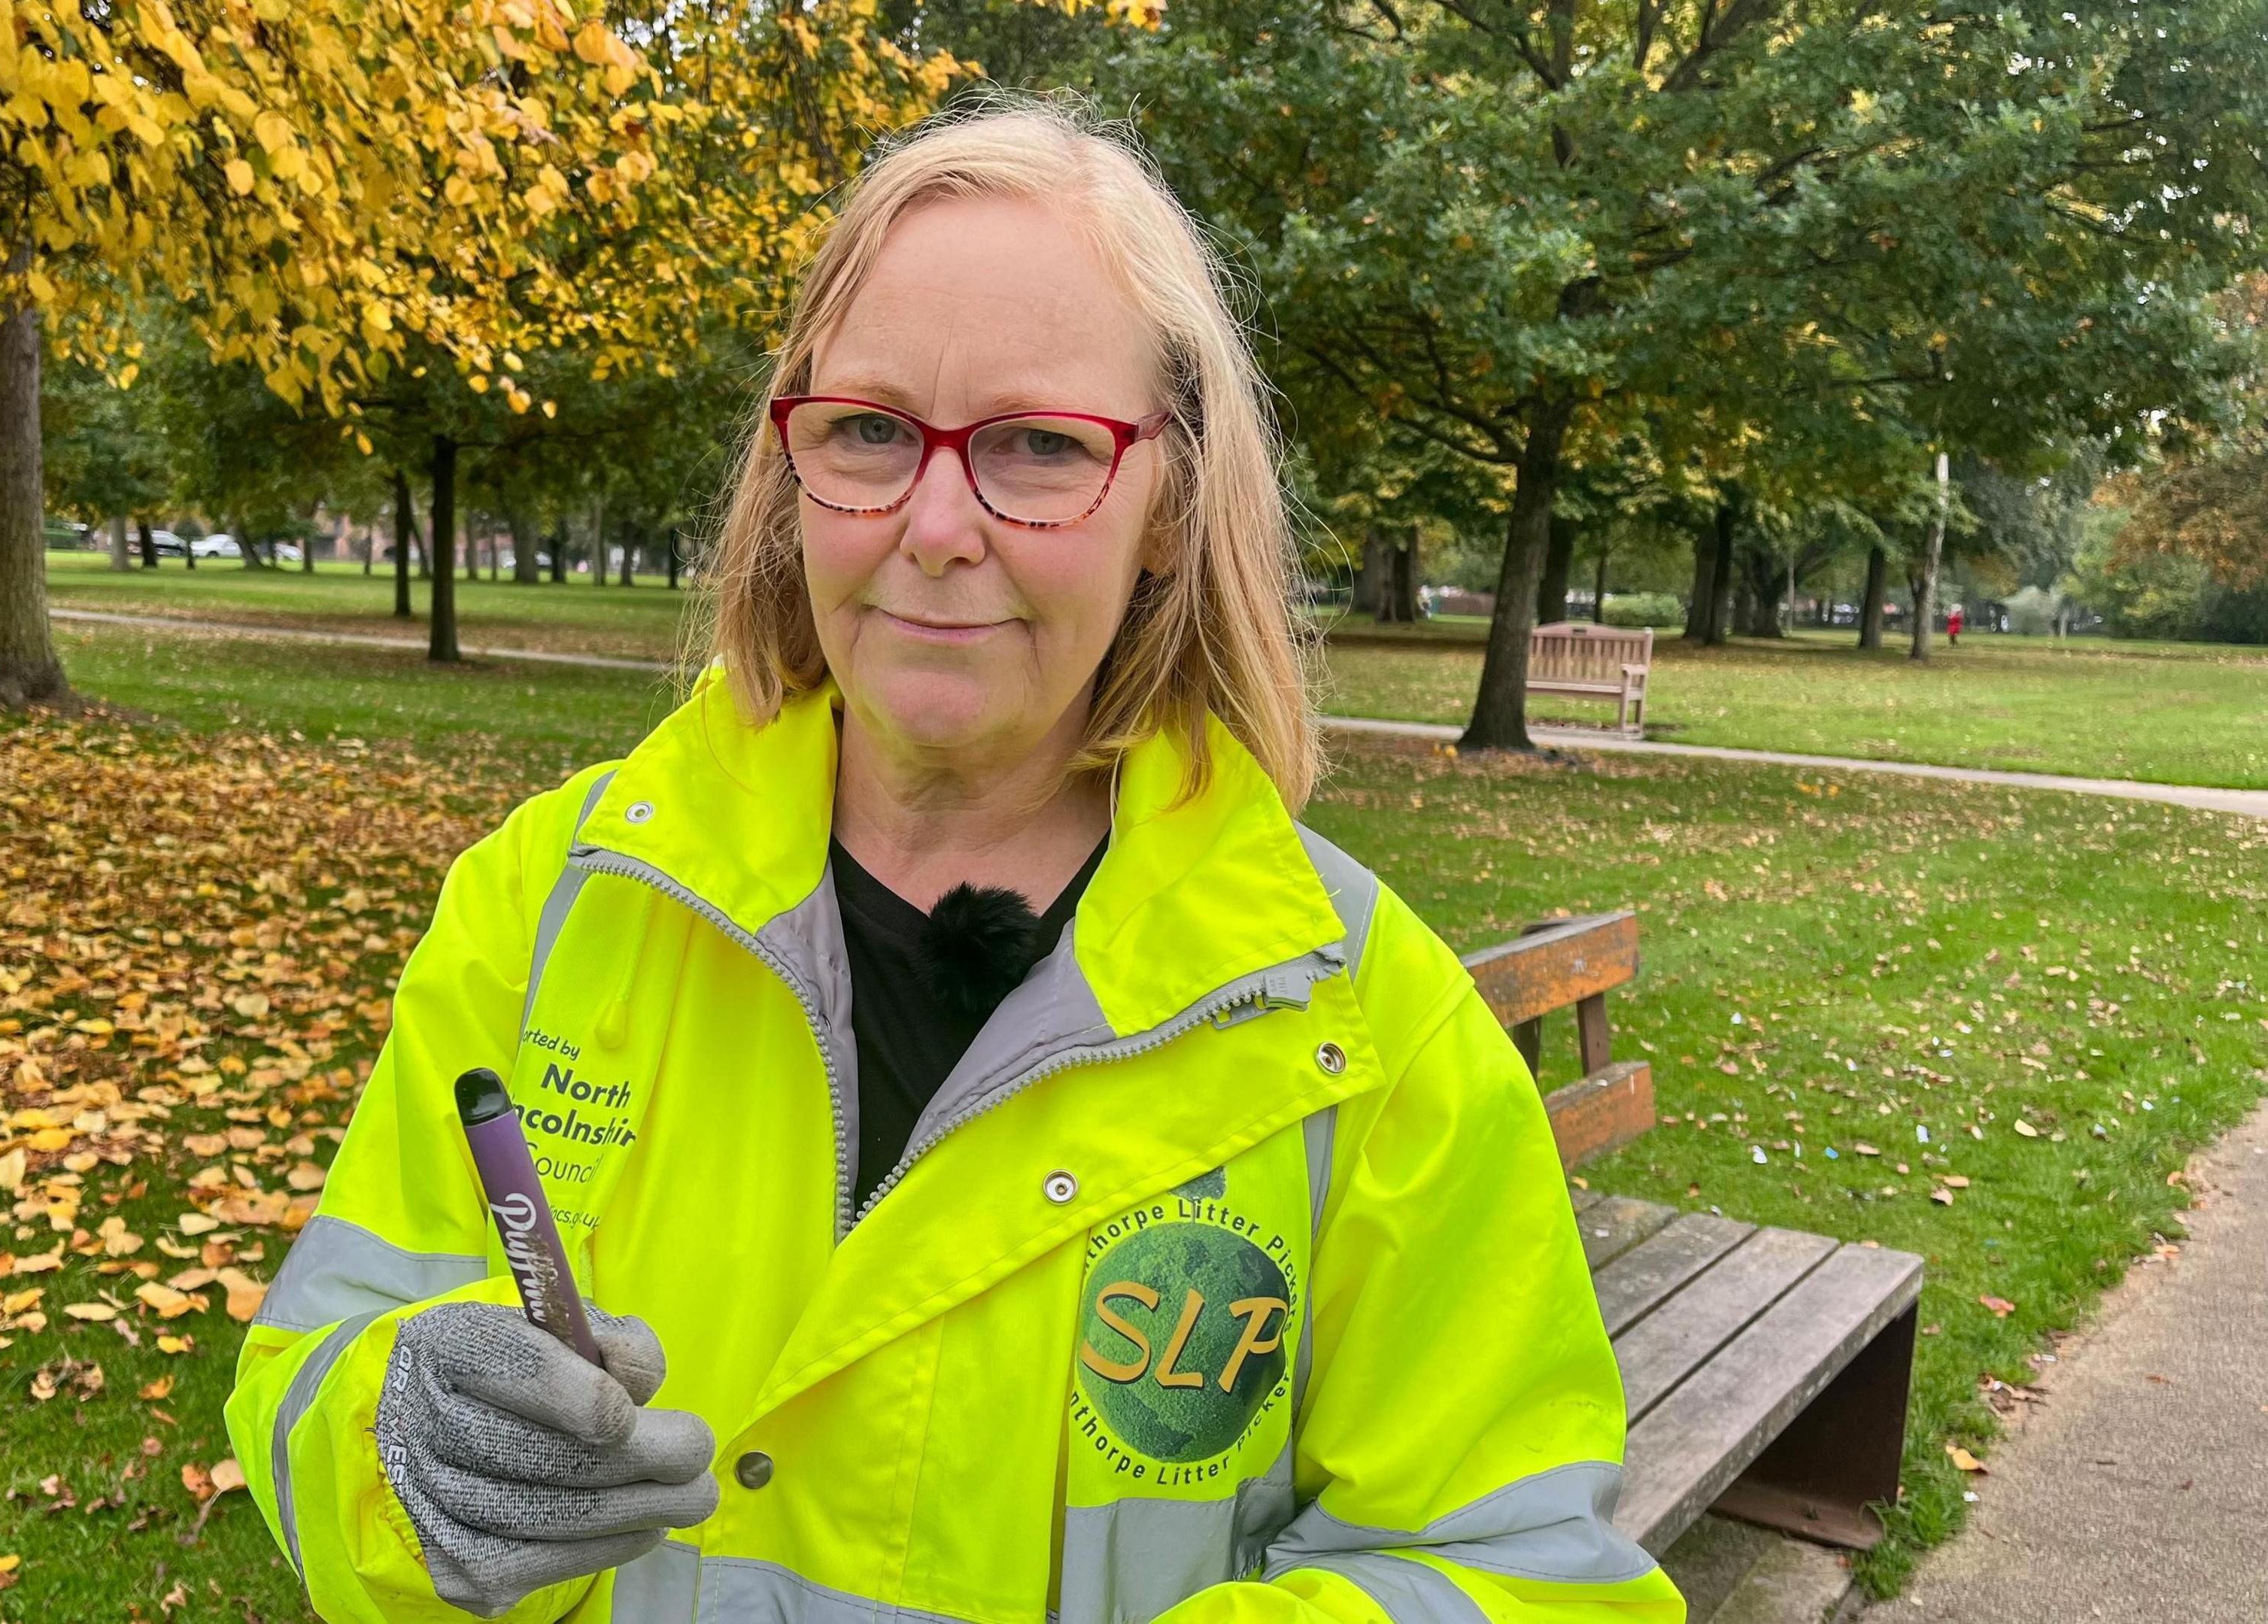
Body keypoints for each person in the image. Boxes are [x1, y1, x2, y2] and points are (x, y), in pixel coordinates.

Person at [228, 104, 1681, 1624]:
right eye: (868, 429)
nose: (933, 526)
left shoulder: (1362, 1021)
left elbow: (1521, 1575)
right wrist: (399, 1450)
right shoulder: (553, 901)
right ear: (792, 465)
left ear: (1170, 505)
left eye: (1038, 446)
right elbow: (309, 1369)